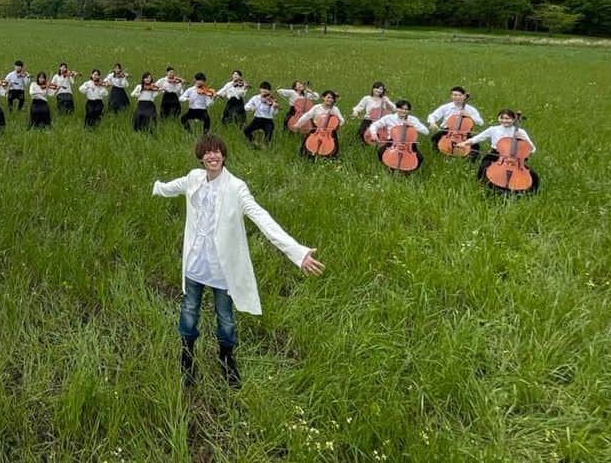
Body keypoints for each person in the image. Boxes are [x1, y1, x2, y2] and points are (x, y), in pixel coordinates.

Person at [152, 134, 325, 387]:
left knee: (225, 317)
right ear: (201, 157)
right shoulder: (193, 178)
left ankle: (226, 359)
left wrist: (296, 252)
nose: (213, 156)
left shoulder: (236, 187)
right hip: (195, 263)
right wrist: (155, 186)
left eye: (217, 152)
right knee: (189, 310)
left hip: (221, 268)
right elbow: (170, 188)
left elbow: (261, 217)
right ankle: (187, 359)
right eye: (207, 152)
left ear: (224, 155)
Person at [457, 109, 540, 194]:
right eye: (502, 118)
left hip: (515, 158)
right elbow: (477, 138)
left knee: (533, 176)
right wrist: (464, 143)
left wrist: (524, 138)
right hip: (496, 154)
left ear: (514, 119)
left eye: (507, 118)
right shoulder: (493, 129)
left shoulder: (520, 131)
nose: (504, 121)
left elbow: (533, 149)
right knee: (483, 167)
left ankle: (528, 192)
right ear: (498, 118)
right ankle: (485, 187)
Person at [368, 100, 429, 172]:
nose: (403, 111)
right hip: (393, 142)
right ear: (397, 109)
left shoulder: (413, 119)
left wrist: (414, 125)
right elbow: (374, 125)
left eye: (406, 109)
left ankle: (409, 170)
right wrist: (374, 134)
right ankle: (388, 167)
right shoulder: (389, 118)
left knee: (420, 158)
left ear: (409, 111)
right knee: (381, 152)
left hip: (409, 144)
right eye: (401, 108)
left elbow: (426, 131)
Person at [427, 86, 485, 154]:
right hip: (448, 131)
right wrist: (432, 123)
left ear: (464, 96)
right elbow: (432, 116)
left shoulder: (470, 109)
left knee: (475, 146)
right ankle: (440, 154)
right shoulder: (446, 107)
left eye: (460, 95)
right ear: (451, 96)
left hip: (464, 133)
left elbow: (481, 122)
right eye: (455, 95)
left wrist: (470, 116)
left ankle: (468, 160)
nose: (457, 97)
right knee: (435, 138)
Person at [294, 91, 345, 159]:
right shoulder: (317, 107)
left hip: (329, 131)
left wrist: (336, 123)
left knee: (333, 147)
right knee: (308, 142)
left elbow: (342, 120)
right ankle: (308, 156)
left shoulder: (335, 109)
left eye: (332, 98)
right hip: (316, 129)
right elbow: (307, 115)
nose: (330, 100)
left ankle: (327, 156)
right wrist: (298, 124)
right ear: (323, 97)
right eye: (328, 97)